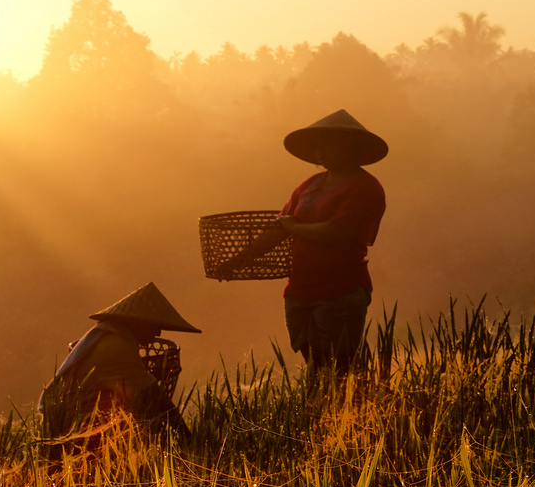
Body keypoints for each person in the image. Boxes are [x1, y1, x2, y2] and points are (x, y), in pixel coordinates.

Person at [217, 109, 388, 380]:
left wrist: (295, 227)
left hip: (340, 290)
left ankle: (351, 415)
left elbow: (338, 232)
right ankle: (320, 412)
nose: (319, 152)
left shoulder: (365, 187)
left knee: (342, 368)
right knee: (315, 365)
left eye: (327, 144)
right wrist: (236, 262)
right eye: (316, 145)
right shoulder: (310, 185)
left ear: (348, 146)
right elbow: (278, 228)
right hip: (300, 289)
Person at [38, 282, 198, 454]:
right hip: (75, 428)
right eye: (154, 326)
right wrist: (189, 438)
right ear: (136, 322)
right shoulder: (117, 347)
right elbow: (154, 398)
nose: (157, 334)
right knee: (142, 427)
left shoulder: (106, 335)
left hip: (70, 420)